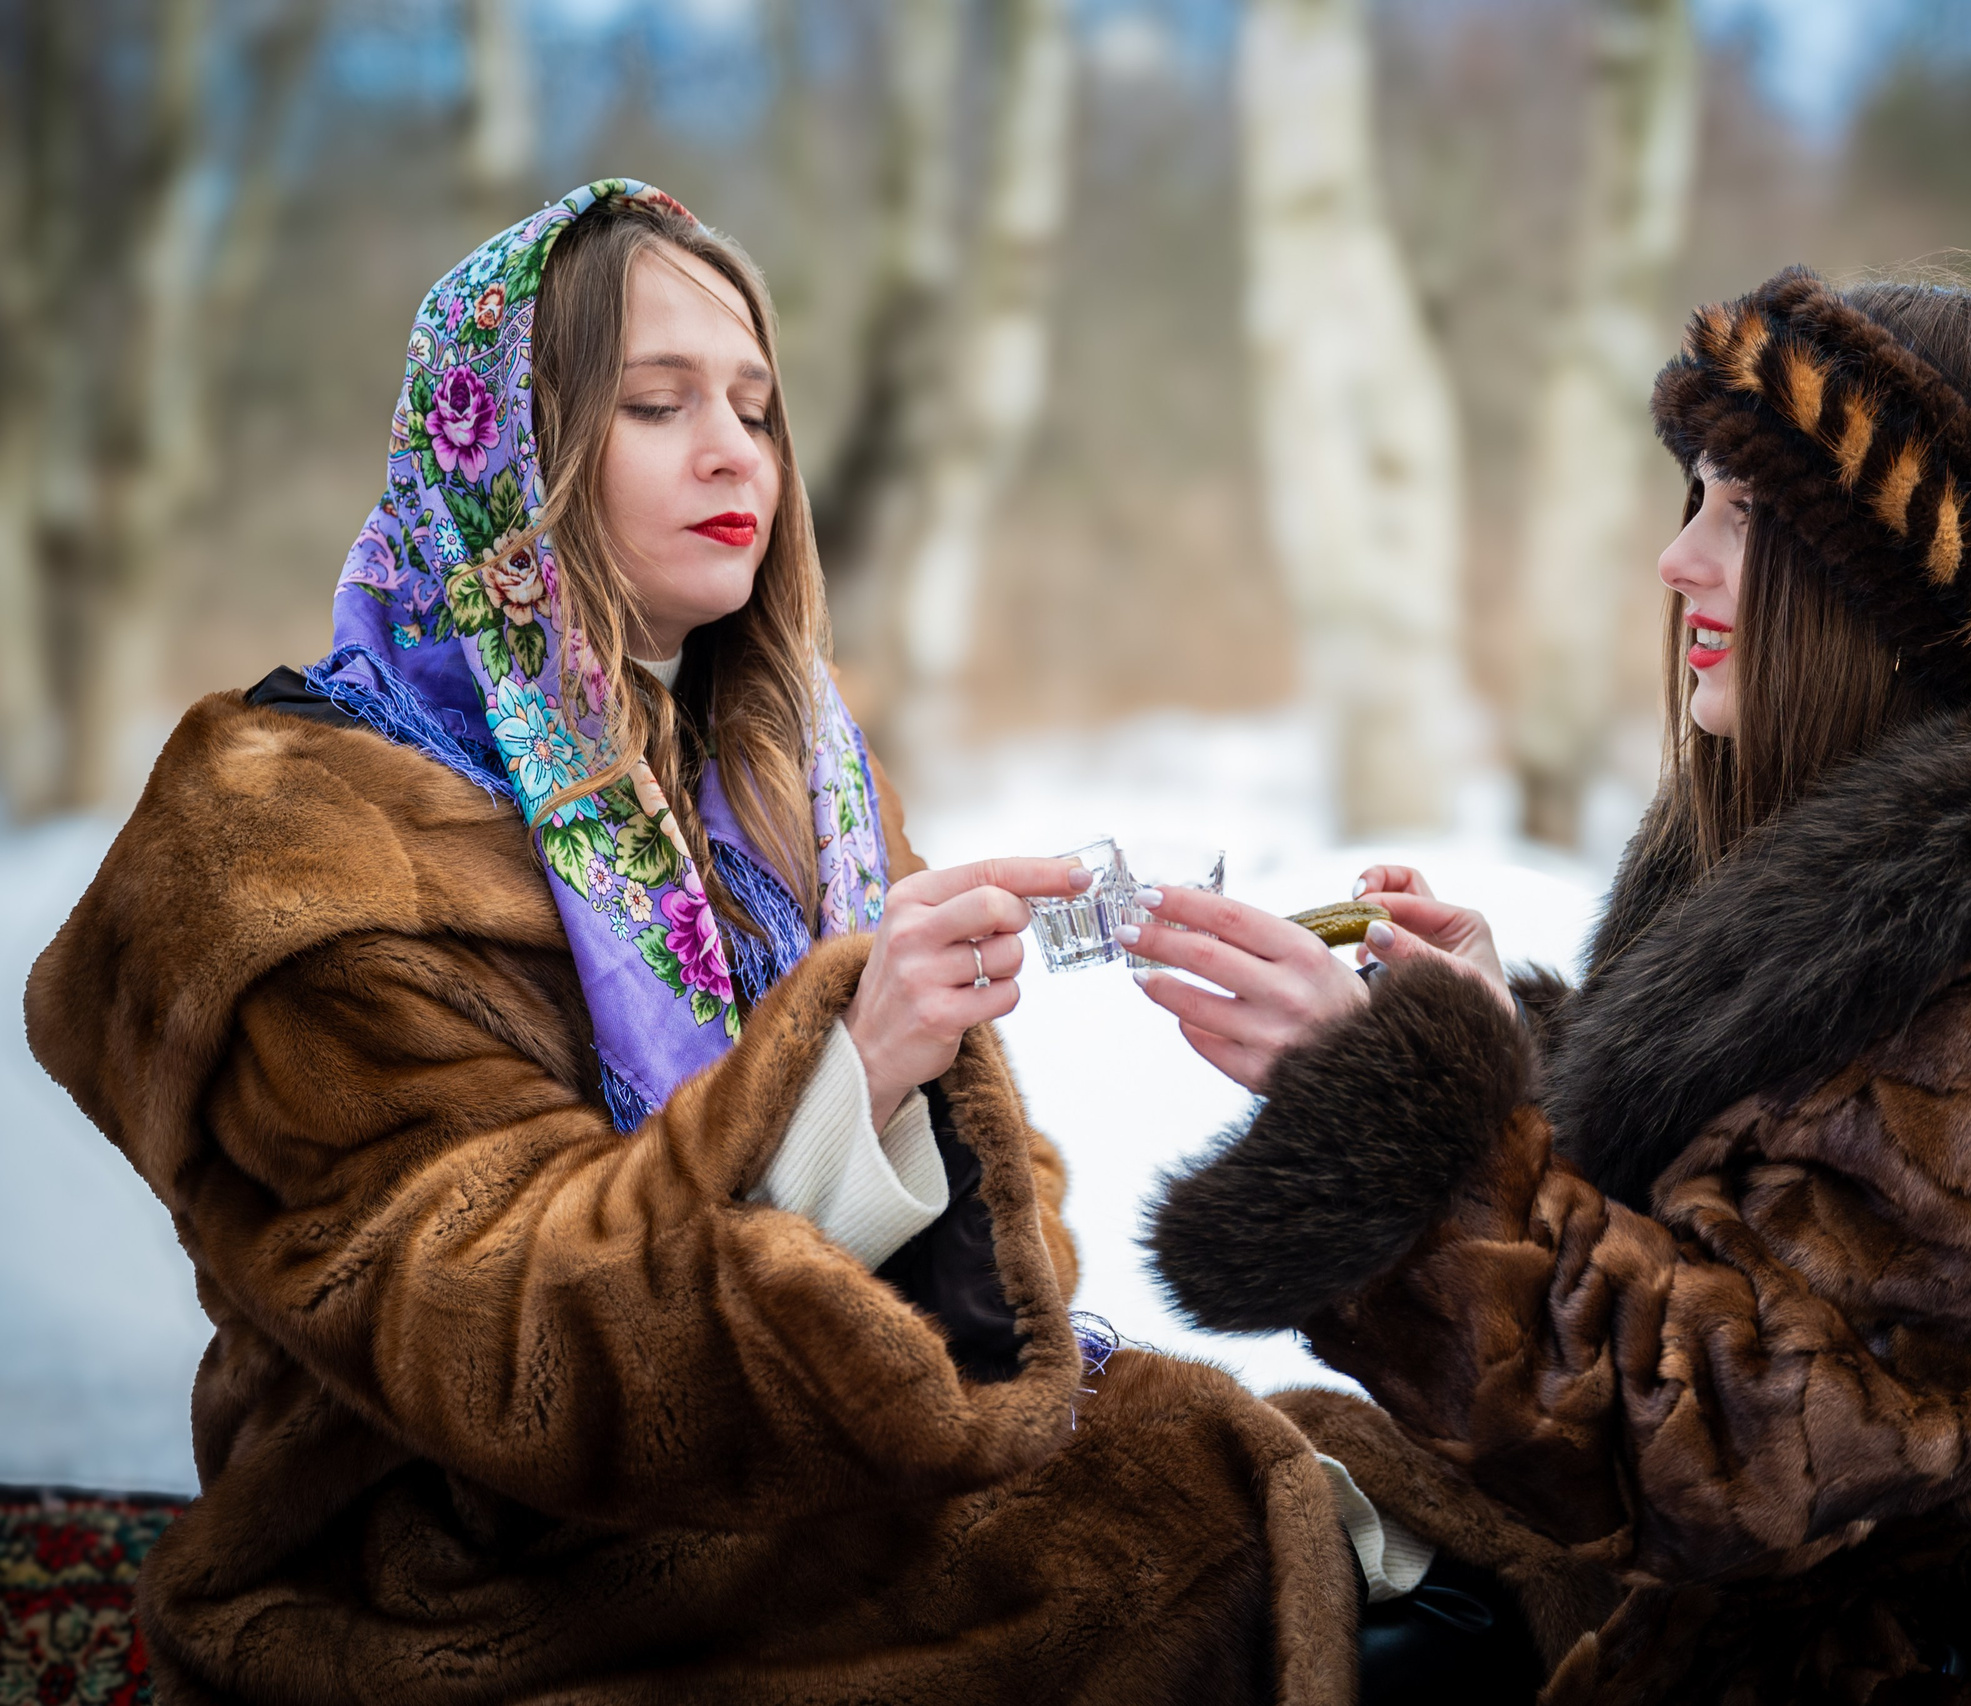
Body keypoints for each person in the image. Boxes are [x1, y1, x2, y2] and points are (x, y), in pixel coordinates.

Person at [25, 181, 1369, 1704]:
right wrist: (842, 1086)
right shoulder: (302, 849)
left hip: (779, 1481)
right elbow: (501, 1349)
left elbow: (1015, 1231)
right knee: (1176, 1576)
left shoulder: (790, 782)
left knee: (1298, 1500)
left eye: (757, 405)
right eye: (655, 405)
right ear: (499, 455)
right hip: (455, 1569)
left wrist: (915, 1078)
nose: (738, 453)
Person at [1133, 265, 1971, 1703]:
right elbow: (1753, 1212)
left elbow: (1746, 1443)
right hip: (1753, 1621)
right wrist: (1511, 1051)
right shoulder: (1809, 888)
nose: (1679, 563)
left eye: (1744, 513)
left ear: (1888, 587)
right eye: (1698, 499)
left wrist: (1411, 1131)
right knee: (1186, 1506)